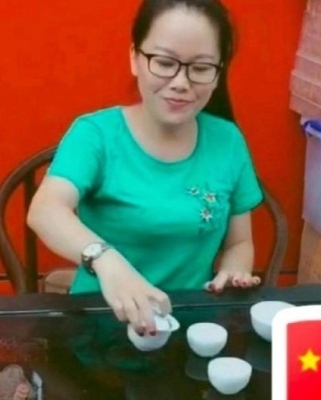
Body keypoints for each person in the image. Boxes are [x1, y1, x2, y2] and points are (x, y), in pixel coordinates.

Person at [27, 0, 263, 336]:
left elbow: (239, 243)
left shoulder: (227, 141)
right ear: (134, 58)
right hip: (100, 325)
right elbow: (45, 210)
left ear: (218, 72)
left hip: (191, 328)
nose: (181, 82)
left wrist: (233, 274)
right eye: (164, 63)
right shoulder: (96, 135)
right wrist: (107, 261)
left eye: (200, 68)